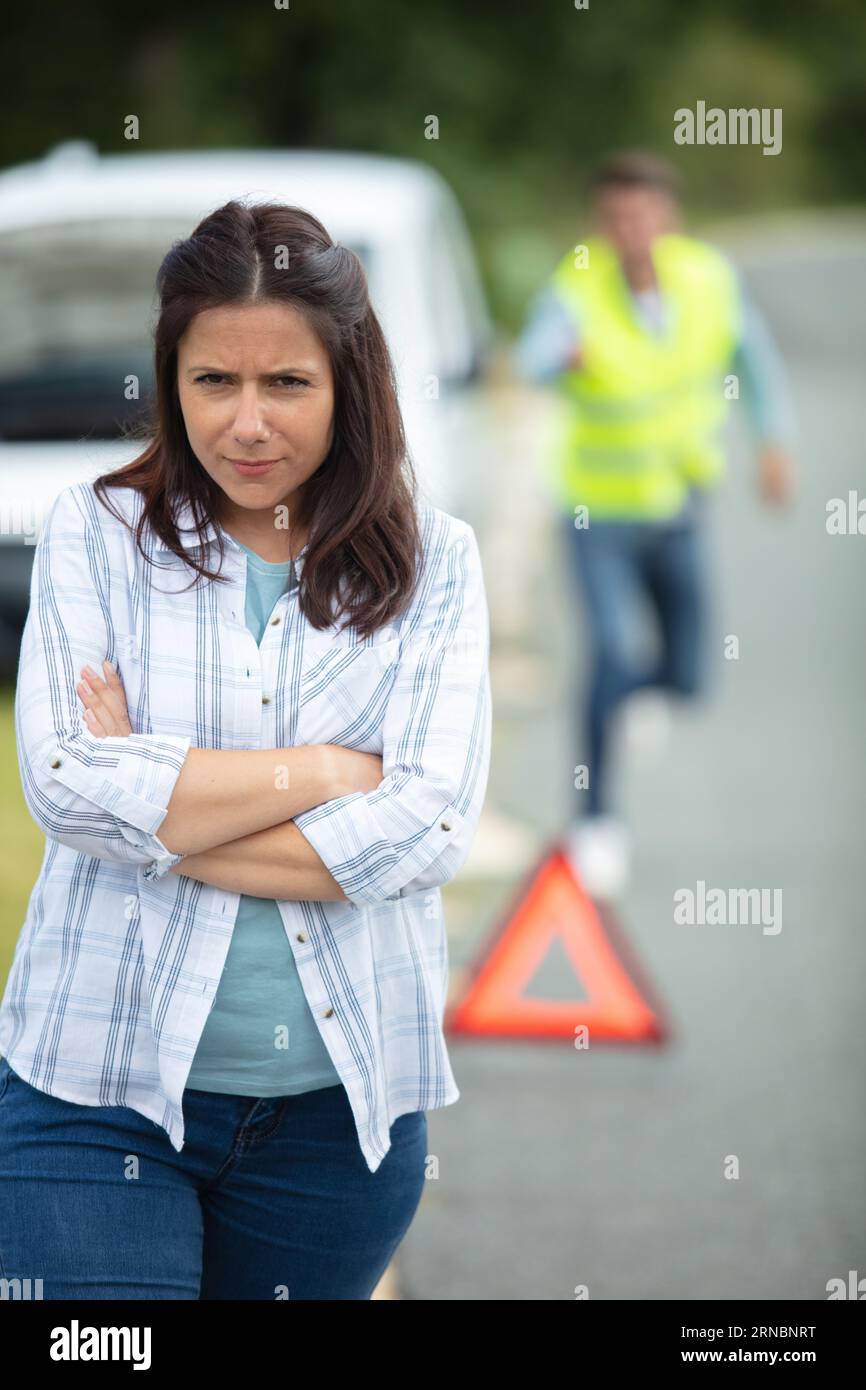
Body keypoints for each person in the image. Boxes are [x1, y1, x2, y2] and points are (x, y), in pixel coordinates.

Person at [0, 200, 492, 1299]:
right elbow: (70, 785)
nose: (247, 424)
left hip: (337, 1124)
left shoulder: (438, 565)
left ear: (348, 387)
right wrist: (324, 775)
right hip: (94, 1093)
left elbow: (426, 827)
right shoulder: (92, 533)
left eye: (287, 384)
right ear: (170, 383)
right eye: (213, 381)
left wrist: (159, 814)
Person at [514, 151, 796, 898]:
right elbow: (537, 355)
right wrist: (556, 356)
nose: (629, 229)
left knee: (690, 676)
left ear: (665, 217)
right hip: (596, 509)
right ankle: (596, 818)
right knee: (609, 649)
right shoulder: (576, 290)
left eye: (641, 214)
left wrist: (775, 442)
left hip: (679, 503)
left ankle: (637, 692)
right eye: (614, 218)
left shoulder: (709, 279)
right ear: (600, 224)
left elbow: (754, 358)